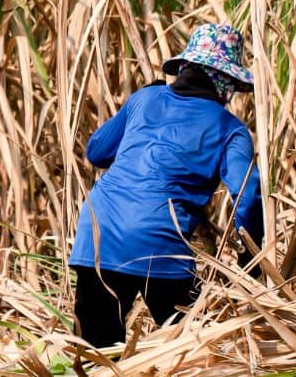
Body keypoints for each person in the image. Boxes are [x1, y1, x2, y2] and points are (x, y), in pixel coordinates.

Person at [68, 23, 265, 348]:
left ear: (185, 67)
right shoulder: (231, 129)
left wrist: (138, 106)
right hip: (160, 243)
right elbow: (248, 193)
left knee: (96, 353)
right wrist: (251, 257)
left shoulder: (145, 98)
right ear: (227, 83)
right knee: (196, 346)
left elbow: (97, 151)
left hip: (99, 235)